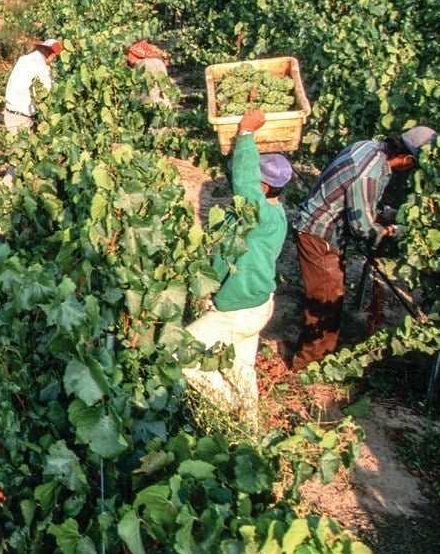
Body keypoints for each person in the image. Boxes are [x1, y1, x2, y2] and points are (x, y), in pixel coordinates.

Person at [291, 125, 436, 369]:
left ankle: (317, 352)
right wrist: (393, 233)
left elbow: (363, 204)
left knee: (328, 291)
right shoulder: (370, 174)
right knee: (326, 300)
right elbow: (362, 227)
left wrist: (391, 215)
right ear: (408, 159)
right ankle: (308, 366)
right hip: (319, 233)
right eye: (414, 165)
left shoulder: (369, 146)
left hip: (322, 226)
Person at [184, 108, 292, 419]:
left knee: (181, 356)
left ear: (265, 187)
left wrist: (245, 133)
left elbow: (244, 183)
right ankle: (250, 422)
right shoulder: (276, 214)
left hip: (238, 308)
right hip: (259, 304)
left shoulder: (258, 214)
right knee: (242, 366)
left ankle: (225, 406)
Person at [4, 39, 62, 133]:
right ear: (51, 54)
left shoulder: (24, 59)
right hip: (22, 119)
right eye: (56, 57)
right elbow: (49, 91)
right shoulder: (42, 67)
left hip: (9, 114)